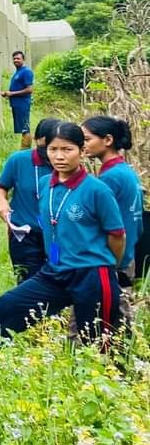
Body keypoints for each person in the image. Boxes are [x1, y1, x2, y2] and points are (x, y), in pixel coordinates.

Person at [0, 122, 125, 350]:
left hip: (91, 274)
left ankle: (109, 379)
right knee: (8, 304)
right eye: (54, 149)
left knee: (97, 341)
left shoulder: (97, 190)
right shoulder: (45, 185)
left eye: (67, 149)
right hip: (55, 271)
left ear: (82, 152)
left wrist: (108, 265)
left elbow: (117, 235)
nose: (59, 156)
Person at [82, 115, 144, 313]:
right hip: (128, 254)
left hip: (112, 258)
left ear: (107, 140)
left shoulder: (109, 178)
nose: (83, 145)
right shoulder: (126, 171)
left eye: (87, 139)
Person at [0, 117, 61, 282]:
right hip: (24, 234)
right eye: (46, 148)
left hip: (56, 237)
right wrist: (2, 202)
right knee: (28, 281)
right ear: (37, 141)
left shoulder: (65, 165)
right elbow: (2, 186)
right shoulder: (18, 160)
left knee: (56, 277)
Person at [1, 51, 35, 148]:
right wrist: (7, 93)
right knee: (22, 128)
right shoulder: (18, 72)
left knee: (25, 128)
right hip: (16, 104)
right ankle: (24, 149)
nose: (16, 60)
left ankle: (25, 150)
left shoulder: (26, 72)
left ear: (23, 59)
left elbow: (29, 89)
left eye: (18, 58)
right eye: (14, 59)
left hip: (22, 104)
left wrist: (12, 93)